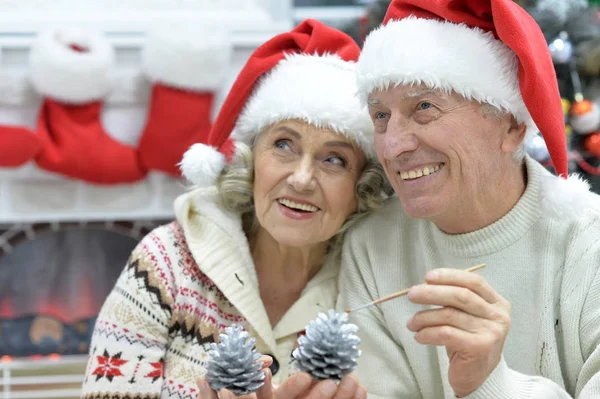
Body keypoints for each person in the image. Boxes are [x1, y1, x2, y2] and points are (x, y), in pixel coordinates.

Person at [80, 20, 390, 399]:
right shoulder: (164, 264)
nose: (302, 179)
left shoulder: (375, 287)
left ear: (361, 187)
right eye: (283, 145)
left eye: (335, 160)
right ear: (249, 162)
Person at [337, 0, 600, 398]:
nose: (392, 146)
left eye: (424, 107)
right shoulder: (371, 247)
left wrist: (492, 384)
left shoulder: (588, 244)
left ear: (511, 125)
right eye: (380, 116)